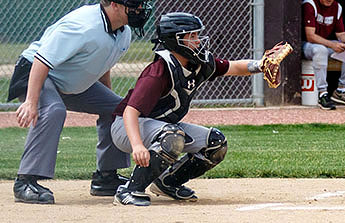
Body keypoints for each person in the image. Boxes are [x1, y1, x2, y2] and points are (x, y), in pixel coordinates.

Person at [6, 0, 153, 204]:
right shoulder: (83, 26)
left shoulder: (123, 32)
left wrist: (109, 105)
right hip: (34, 71)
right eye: (133, 4)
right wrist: (31, 102)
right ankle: (25, 181)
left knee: (119, 109)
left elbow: (101, 65)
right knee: (53, 110)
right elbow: (41, 60)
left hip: (67, 81)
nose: (139, 10)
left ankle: (106, 177)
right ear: (114, 5)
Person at [111, 12, 274, 206]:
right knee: (173, 136)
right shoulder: (159, 71)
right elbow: (130, 111)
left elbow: (234, 67)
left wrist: (261, 65)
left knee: (216, 143)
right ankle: (129, 190)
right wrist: (137, 145)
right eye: (192, 36)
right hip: (127, 127)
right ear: (175, 40)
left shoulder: (197, 63)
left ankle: (167, 182)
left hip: (162, 128)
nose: (198, 41)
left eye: (197, 35)